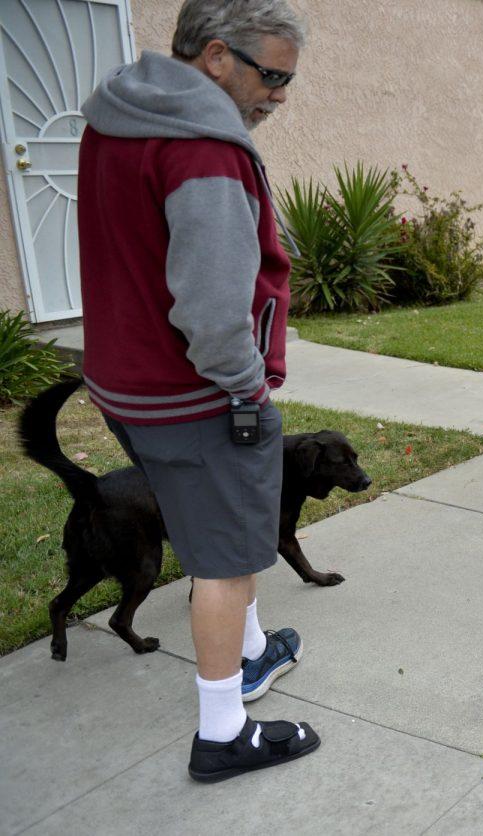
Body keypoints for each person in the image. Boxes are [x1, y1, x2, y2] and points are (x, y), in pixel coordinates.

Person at [78, 0, 318, 782]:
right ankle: (223, 733)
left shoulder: (116, 116)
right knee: (227, 562)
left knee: (206, 532)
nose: (279, 97)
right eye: (272, 76)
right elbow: (213, 313)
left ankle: (251, 652)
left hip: (124, 383)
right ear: (216, 56)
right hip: (195, 395)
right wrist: (249, 390)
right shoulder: (205, 152)